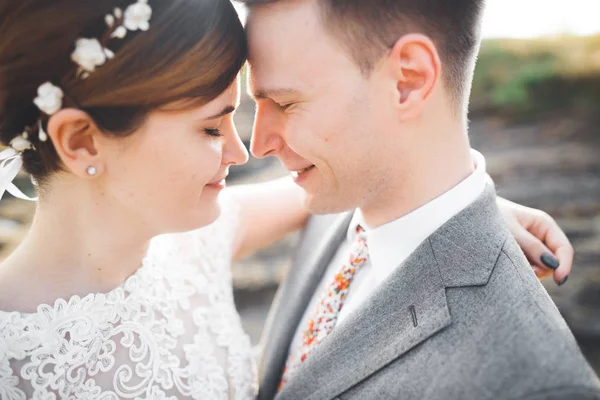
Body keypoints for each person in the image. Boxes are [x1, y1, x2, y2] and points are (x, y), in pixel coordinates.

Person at [0, 0, 578, 398]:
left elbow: (373, 192)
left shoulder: (194, 242)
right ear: (80, 141)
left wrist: (462, 211)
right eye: (209, 128)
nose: (246, 149)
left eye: (284, 103)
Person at [241, 0, 600, 399]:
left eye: (286, 103)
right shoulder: (335, 194)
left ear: (408, 80)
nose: (258, 145)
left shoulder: (535, 384)